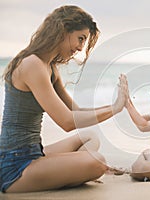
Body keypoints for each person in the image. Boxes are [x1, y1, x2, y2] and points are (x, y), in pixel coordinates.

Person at [0, 5, 127, 193]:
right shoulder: (32, 64)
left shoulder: (50, 68)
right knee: (98, 161)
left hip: (35, 153)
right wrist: (115, 109)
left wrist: (115, 104)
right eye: (81, 39)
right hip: (15, 166)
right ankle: (79, 171)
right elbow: (67, 122)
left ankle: (75, 171)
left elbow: (75, 111)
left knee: (90, 137)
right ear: (62, 30)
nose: (80, 48)